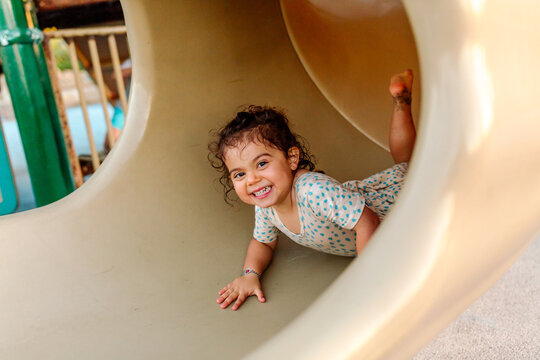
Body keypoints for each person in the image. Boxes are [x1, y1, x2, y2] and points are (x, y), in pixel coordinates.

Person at [208, 69, 417, 311]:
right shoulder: (266, 204)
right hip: (390, 208)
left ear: (291, 158)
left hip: (407, 201)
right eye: (240, 174)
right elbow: (262, 242)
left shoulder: (313, 191)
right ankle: (401, 99)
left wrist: (368, 274)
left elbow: (367, 221)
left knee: (412, 169)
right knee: (407, 164)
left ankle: (402, 101)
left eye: (262, 164)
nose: (252, 180)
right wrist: (249, 274)